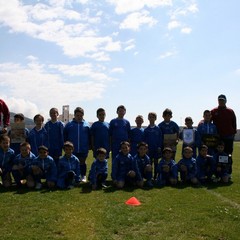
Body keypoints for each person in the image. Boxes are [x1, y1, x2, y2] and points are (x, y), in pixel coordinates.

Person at [64, 107, 91, 182]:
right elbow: (65, 136)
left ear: (83, 115)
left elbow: (90, 136)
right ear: (74, 115)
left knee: (82, 162)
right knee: (73, 162)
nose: (79, 117)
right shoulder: (69, 125)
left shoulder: (87, 125)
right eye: (77, 115)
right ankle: (74, 176)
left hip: (83, 147)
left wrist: (90, 145)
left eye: (81, 115)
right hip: (72, 148)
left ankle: (83, 175)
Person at [144, 112, 162, 180]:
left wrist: (159, 147)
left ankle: (156, 176)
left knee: (156, 163)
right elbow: (144, 140)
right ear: (148, 118)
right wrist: (146, 148)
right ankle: (150, 176)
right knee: (149, 162)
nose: (151, 118)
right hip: (149, 149)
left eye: (153, 117)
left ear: (155, 118)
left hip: (156, 149)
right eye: (150, 117)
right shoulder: (146, 130)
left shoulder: (158, 129)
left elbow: (160, 138)